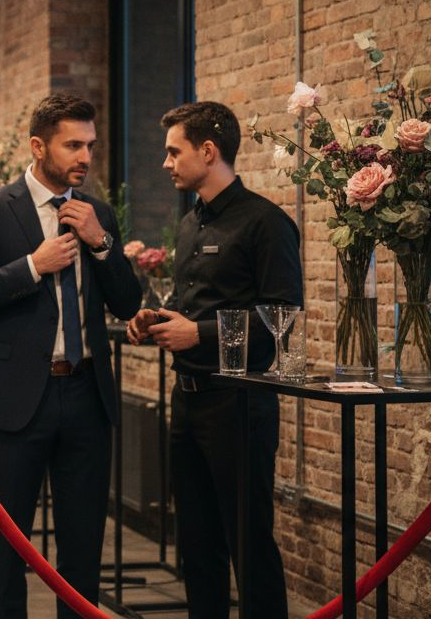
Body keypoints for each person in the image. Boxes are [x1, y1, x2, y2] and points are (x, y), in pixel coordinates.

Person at [0, 94, 141, 619]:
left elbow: (127, 303)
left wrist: (102, 245)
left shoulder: (96, 213)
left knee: (82, 546)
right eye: (72, 145)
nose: (85, 156)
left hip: (86, 391)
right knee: (9, 543)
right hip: (15, 399)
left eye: (91, 146)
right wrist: (31, 265)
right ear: (38, 146)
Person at [126, 101, 300, 619]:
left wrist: (196, 333)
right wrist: (158, 318)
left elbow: (281, 325)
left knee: (249, 546)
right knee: (196, 547)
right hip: (188, 402)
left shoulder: (266, 223)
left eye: (173, 151)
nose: (165, 163)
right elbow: (193, 306)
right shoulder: (189, 225)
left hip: (240, 406)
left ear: (208, 151)